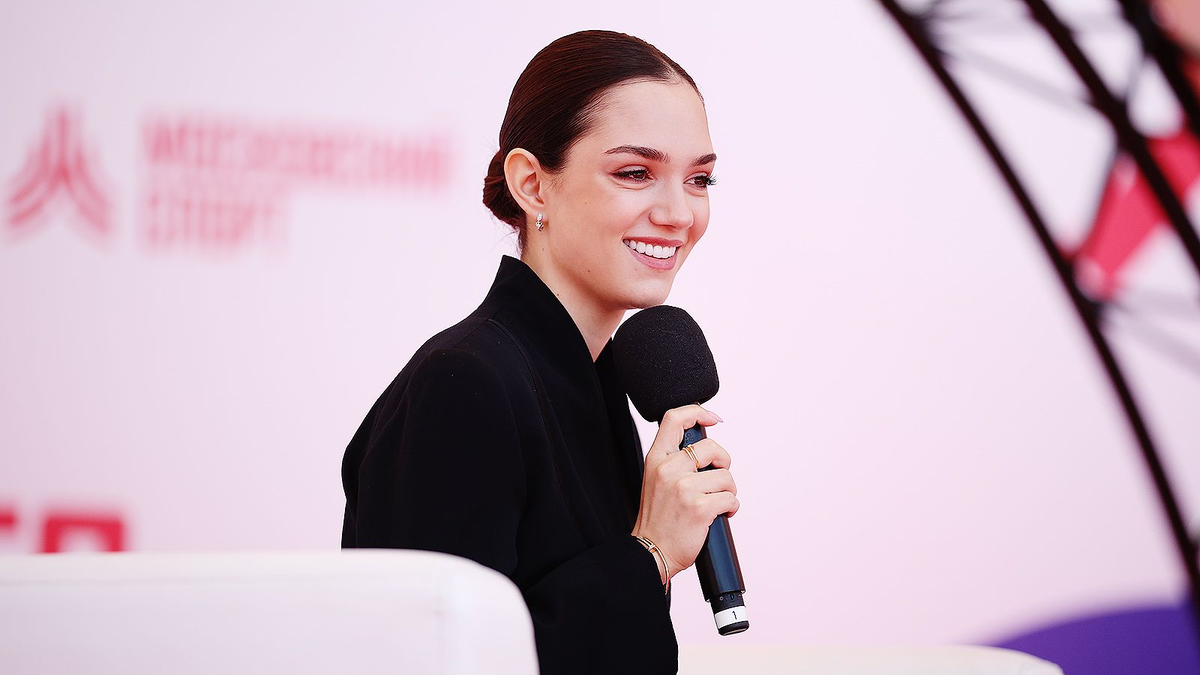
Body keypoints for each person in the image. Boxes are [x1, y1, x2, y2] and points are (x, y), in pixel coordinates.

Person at [340, 30, 738, 674]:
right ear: (532, 185)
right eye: (634, 173)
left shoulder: (594, 384)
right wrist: (650, 554)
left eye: (699, 179)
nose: (678, 213)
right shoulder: (465, 384)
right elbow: (443, 660)